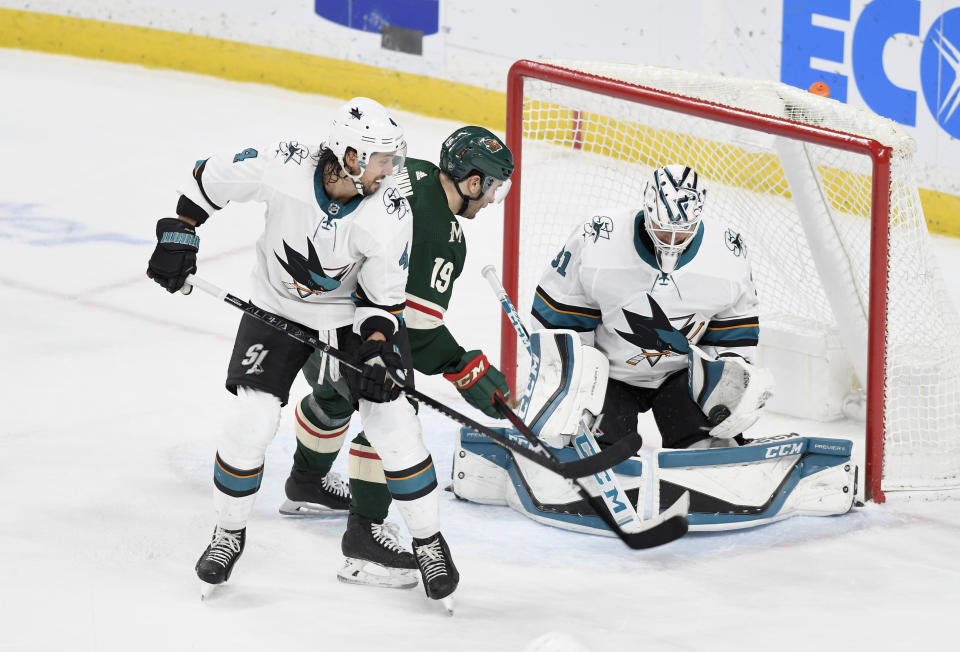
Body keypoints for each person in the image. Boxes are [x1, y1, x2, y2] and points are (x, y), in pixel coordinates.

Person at [145, 97, 458, 604]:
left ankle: (429, 542)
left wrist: (377, 350)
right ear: (350, 157)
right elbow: (206, 181)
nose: (392, 170)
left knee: (394, 424)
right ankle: (229, 533)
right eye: (382, 159)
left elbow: (382, 302)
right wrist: (181, 231)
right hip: (277, 308)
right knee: (250, 419)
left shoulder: (391, 208)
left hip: (355, 316)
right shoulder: (284, 163)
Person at [277, 126, 514, 589]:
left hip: (310, 299)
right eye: (491, 189)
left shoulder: (418, 172)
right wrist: (463, 366)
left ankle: (305, 484)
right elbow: (415, 333)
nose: (490, 200)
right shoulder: (442, 236)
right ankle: (365, 544)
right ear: (471, 183)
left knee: (333, 398)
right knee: (388, 414)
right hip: (348, 326)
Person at [529, 164, 768, 450]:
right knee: (593, 448)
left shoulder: (728, 253)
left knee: (710, 449)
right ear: (647, 207)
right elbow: (560, 318)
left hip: (683, 378)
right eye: (662, 230)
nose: (670, 242)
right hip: (607, 376)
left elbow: (734, 332)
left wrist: (730, 383)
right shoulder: (598, 239)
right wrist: (571, 384)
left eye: (681, 233)